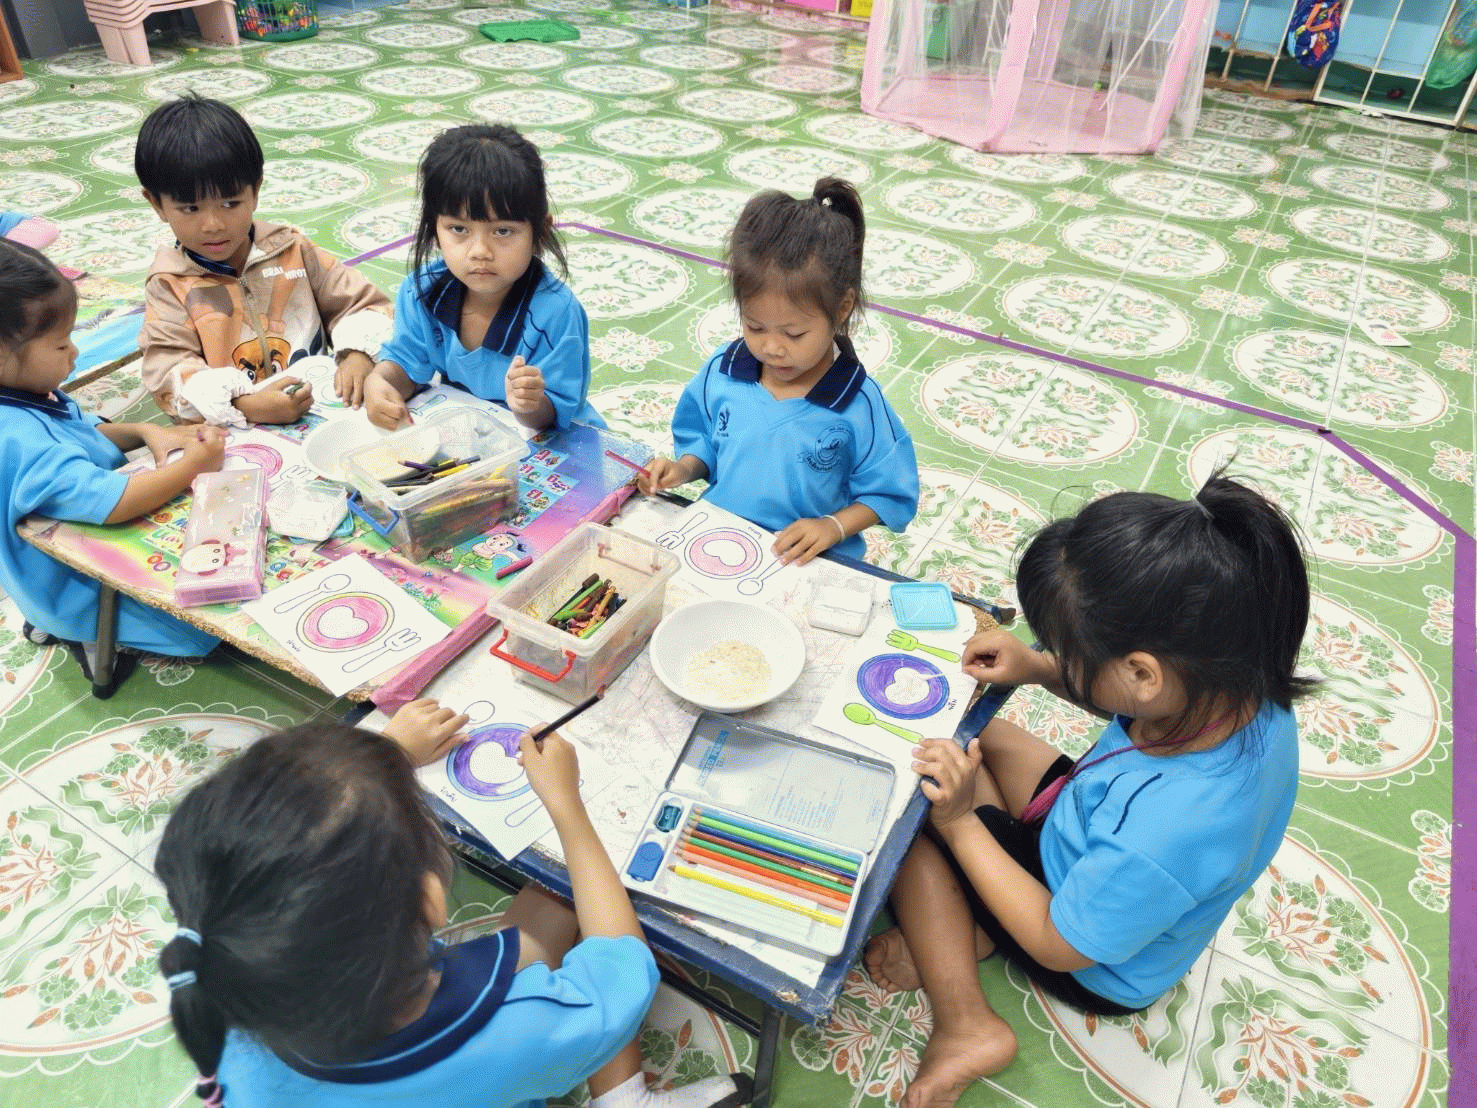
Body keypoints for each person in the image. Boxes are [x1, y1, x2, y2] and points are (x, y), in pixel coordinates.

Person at [864, 474, 1313, 1108]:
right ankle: (974, 928)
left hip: (1084, 950)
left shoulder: (1168, 832)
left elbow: (1059, 945)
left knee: (914, 818)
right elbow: (1125, 699)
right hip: (1087, 825)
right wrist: (1040, 668)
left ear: (1142, 674)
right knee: (970, 734)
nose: (1058, 657)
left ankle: (966, 1023)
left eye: (1067, 652)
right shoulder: (1233, 682)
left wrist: (961, 824)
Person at [154, 698, 751, 1108]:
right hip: (487, 1071)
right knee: (578, 886)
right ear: (429, 897)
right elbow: (621, 964)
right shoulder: (528, 1023)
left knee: (552, 899)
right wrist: (567, 808)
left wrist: (383, 758)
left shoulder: (231, 989)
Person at [636, 177, 918, 566]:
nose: (772, 348)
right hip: (719, 539)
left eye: (793, 334)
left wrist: (832, 526)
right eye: (755, 327)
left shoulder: (857, 402)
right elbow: (704, 443)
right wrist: (681, 469)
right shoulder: (724, 371)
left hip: (806, 561)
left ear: (842, 309)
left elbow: (889, 492)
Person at [0, 239, 223, 682]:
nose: (75, 353)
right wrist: (194, 465)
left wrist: (145, 431)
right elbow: (115, 502)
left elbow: (79, 433)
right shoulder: (16, 436)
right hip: (71, 590)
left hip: (67, 555)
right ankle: (81, 636)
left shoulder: (23, 391)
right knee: (201, 630)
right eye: (61, 345)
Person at [135, 94, 394, 426]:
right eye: (190, 208)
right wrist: (245, 406)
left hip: (317, 414)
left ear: (255, 190)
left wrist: (357, 354)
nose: (213, 224)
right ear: (156, 204)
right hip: (231, 431)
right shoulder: (169, 285)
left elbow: (361, 304)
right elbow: (169, 373)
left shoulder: (291, 250)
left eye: (230, 203)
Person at [364, 124, 603, 434]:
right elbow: (406, 364)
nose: (480, 252)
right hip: (476, 437)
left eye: (502, 231)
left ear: (539, 232)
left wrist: (530, 405)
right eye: (458, 229)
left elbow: (552, 418)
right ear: (434, 229)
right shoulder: (422, 292)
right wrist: (379, 381)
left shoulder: (556, 313)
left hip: (556, 440)